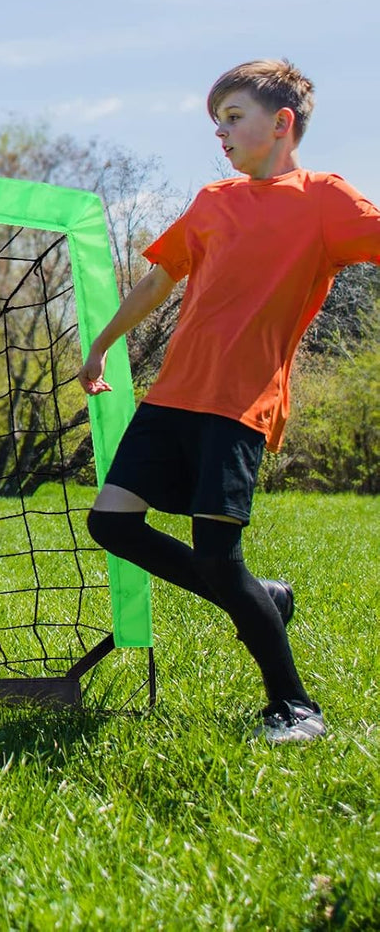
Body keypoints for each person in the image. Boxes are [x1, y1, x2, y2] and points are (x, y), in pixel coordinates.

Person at [78, 58, 380, 743]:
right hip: (173, 395)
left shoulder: (325, 199)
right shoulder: (214, 200)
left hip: (240, 403)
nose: (221, 133)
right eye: (216, 122)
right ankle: (261, 598)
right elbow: (158, 282)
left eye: (233, 117)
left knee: (218, 557)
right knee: (112, 523)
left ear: (281, 123)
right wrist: (101, 344)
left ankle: (295, 706)